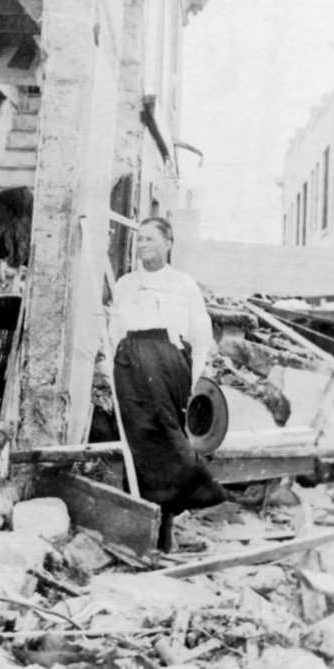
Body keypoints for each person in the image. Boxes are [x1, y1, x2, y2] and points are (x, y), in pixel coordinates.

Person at [108, 216, 227, 530]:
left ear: (168, 243)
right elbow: (115, 330)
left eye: (150, 238)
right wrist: (114, 368)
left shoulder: (182, 283)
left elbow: (200, 334)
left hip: (169, 364)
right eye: (140, 239)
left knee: (170, 437)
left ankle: (175, 512)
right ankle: (143, 516)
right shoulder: (125, 284)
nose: (142, 244)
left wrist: (193, 377)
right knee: (139, 439)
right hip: (130, 366)